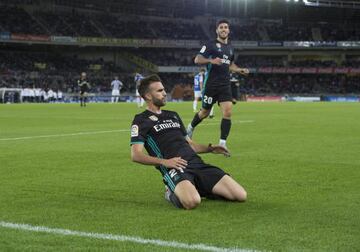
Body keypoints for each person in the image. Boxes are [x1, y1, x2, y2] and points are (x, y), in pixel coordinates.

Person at [130, 74, 247, 210]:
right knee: (191, 202)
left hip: (196, 163)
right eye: (160, 91)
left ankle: (196, 186)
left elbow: (189, 144)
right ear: (148, 96)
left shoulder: (173, 115)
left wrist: (210, 149)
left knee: (240, 195)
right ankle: (170, 192)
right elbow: (136, 155)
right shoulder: (141, 120)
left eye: (163, 90)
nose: (164, 93)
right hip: (175, 167)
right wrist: (165, 162)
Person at [186, 19, 249, 152]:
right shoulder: (210, 45)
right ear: (217, 30)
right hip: (211, 85)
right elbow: (197, 59)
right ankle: (190, 128)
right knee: (204, 112)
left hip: (225, 85)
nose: (224, 29)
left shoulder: (230, 48)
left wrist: (239, 70)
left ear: (229, 30)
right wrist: (210, 60)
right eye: (221, 27)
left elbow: (230, 65)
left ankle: (222, 143)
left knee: (227, 112)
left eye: (226, 27)